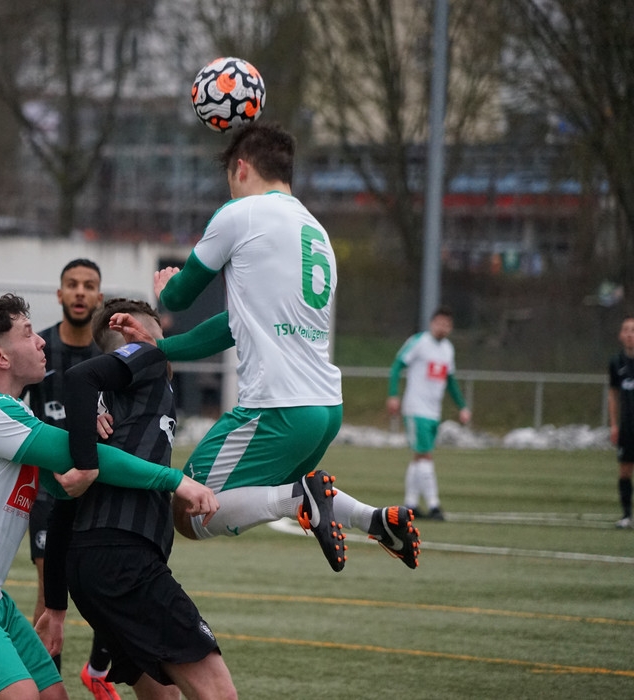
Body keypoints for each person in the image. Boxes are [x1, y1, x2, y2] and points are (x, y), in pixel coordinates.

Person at [111, 122, 419, 571]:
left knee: (188, 510)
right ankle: (376, 520)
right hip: (324, 409)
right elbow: (234, 325)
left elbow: (179, 297)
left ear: (241, 168)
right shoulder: (315, 230)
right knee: (272, 489)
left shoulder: (241, 214)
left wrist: (166, 288)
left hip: (276, 407)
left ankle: (300, 499)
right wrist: (165, 348)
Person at [0, 293, 218, 700]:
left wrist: (55, 604)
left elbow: (66, 484)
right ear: (1, 358)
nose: (41, 341)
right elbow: (80, 459)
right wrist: (176, 481)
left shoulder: (15, 413)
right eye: (28, 333)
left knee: (52, 695)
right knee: (22, 697)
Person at [38, 298, 237, 699]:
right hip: (124, 560)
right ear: (140, 335)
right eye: (164, 335)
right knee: (219, 693)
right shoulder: (148, 357)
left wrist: (55, 606)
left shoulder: (102, 410)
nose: (171, 345)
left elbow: (63, 507)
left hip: (89, 569)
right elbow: (79, 376)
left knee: (164, 696)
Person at [22, 259, 117, 699]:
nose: (80, 292)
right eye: (72, 285)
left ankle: (98, 670)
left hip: (99, 491)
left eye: (89, 285)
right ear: (60, 294)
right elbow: (10, 408)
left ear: (99, 297)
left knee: (106, 587)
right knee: (49, 592)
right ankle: (47, 689)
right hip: (48, 492)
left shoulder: (110, 356)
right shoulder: (38, 349)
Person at [386, 305, 472, 521]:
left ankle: (410, 505)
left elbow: (450, 380)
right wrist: (393, 394)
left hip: (434, 411)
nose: (443, 327)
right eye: (440, 322)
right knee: (425, 455)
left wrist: (462, 406)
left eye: (447, 324)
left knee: (419, 457)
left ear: (451, 327)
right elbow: (397, 366)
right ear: (432, 323)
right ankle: (434, 505)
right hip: (416, 408)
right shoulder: (419, 342)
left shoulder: (448, 349)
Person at [608, 315, 634, 529]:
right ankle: (626, 516)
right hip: (627, 426)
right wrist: (614, 424)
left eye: (633, 330)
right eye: (626, 330)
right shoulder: (616, 362)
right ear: (620, 335)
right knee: (625, 470)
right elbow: (613, 394)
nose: (630, 334)